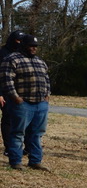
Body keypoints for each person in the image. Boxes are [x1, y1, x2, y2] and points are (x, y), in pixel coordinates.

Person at [1, 32, 52, 171]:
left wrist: (47, 95)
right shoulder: (12, 59)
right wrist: (15, 97)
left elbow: (46, 79)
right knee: (18, 133)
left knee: (37, 134)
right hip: (22, 104)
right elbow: (7, 80)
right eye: (31, 46)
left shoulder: (39, 61)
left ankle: (35, 161)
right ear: (23, 45)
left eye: (35, 46)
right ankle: (16, 161)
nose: (34, 48)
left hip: (40, 103)